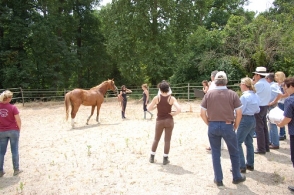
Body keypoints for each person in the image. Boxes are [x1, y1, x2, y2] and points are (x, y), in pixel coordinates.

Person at [200, 71, 246, 186]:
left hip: (213, 125)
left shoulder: (209, 94)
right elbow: (239, 112)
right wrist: (235, 124)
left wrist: (209, 123)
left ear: (215, 81)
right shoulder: (232, 94)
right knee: (234, 151)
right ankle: (236, 176)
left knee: (215, 153)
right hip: (227, 124)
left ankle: (218, 179)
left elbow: (202, 113)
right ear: (226, 81)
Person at [147, 80, 181, 165]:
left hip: (160, 121)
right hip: (169, 120)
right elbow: (179, 109)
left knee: (156, 139)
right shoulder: (171, 98)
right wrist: (174, 114)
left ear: (160, 89)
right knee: (167, 140)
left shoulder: (157, 98)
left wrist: (156, 106)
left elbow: (148, 108)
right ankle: (165, 158)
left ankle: (152, 157)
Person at [237, 77, 260, 173]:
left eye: (241, 83)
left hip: (245, 119)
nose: (240, 85)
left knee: (237, 142)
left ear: (244, 85)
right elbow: (258, 109)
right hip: (252, 118)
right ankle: (250, 164)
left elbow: (240, 111)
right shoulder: (255, 95)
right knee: (249, 142)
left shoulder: (244, 97)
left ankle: (241, 165)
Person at [276, 77, 294, 192]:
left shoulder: (290, 100)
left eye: (285, 88)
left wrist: (280, 124)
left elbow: (287, 118)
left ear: (292, 87)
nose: (284, 91)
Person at [0, 90, 22, 177]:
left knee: (1, 152)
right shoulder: (13, 107)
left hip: (1, 132)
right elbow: (18, 120)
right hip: (13, 131)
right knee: (14, 150)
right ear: (8, 98)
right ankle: (16, 169)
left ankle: (0, 171)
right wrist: (19, 130)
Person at [253, 67, 271, 154]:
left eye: (255, 74)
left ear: (258, 75)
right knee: (264, 127)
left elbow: (254, 95)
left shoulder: (258, 84)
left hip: (259, 107)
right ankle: (266, 146)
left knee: (259, 128)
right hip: (265, 105)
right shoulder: (267, 83)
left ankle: (261, 148)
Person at [266, 73, 282, 149]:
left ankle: (275, 143)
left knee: (273, 125)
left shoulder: (272, 86)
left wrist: (273, 102)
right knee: (271, 124)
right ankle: (271, 141)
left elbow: (280, 94)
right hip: (270, 105)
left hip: (271, 106)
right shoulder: (272, 85)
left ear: (268, 79)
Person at [275, 71, 289, 140]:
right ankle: (282, 133)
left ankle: (282, 133)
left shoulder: (283, 84)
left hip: (283, 102)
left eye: (276, 76)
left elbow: (287, 94)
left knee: (282, 117)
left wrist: (279, 97)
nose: (275, 77)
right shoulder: (278, 84)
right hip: (280, 102)